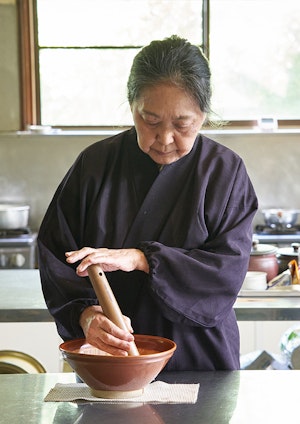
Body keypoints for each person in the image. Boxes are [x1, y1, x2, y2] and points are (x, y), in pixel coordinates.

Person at [38, 35, 258, 371]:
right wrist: (85, 315)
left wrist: (143, 259)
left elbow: (226, 272)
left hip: (200, 360)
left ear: (203, 114)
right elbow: (56, 255)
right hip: (111, 359)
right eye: (151, 121)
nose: (166, 138)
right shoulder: (95, 165)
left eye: (183, 124)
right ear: (131, 107)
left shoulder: (224, 171)